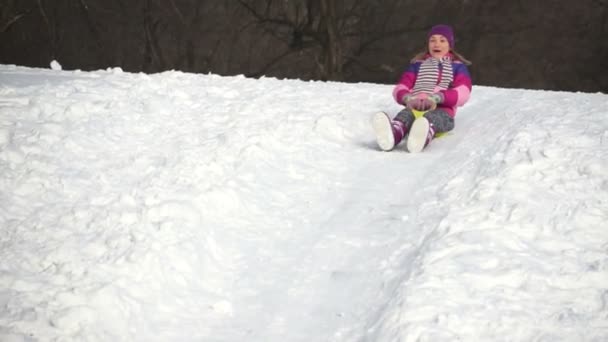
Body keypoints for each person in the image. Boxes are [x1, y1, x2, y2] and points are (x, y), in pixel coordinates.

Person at [372, 24, 473, 152]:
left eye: (442, 40)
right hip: (415, 107)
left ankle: (420, 137)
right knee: (405, 116)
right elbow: (401, 86)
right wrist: (408, 98)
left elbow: (464, 91)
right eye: (433, 40)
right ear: (428, 44)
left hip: (443, 110)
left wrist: (439, 97)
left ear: (450, 45)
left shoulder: (457, 67)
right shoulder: (417, 66)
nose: (437, 44)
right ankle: (393, 134)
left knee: (432, 119)